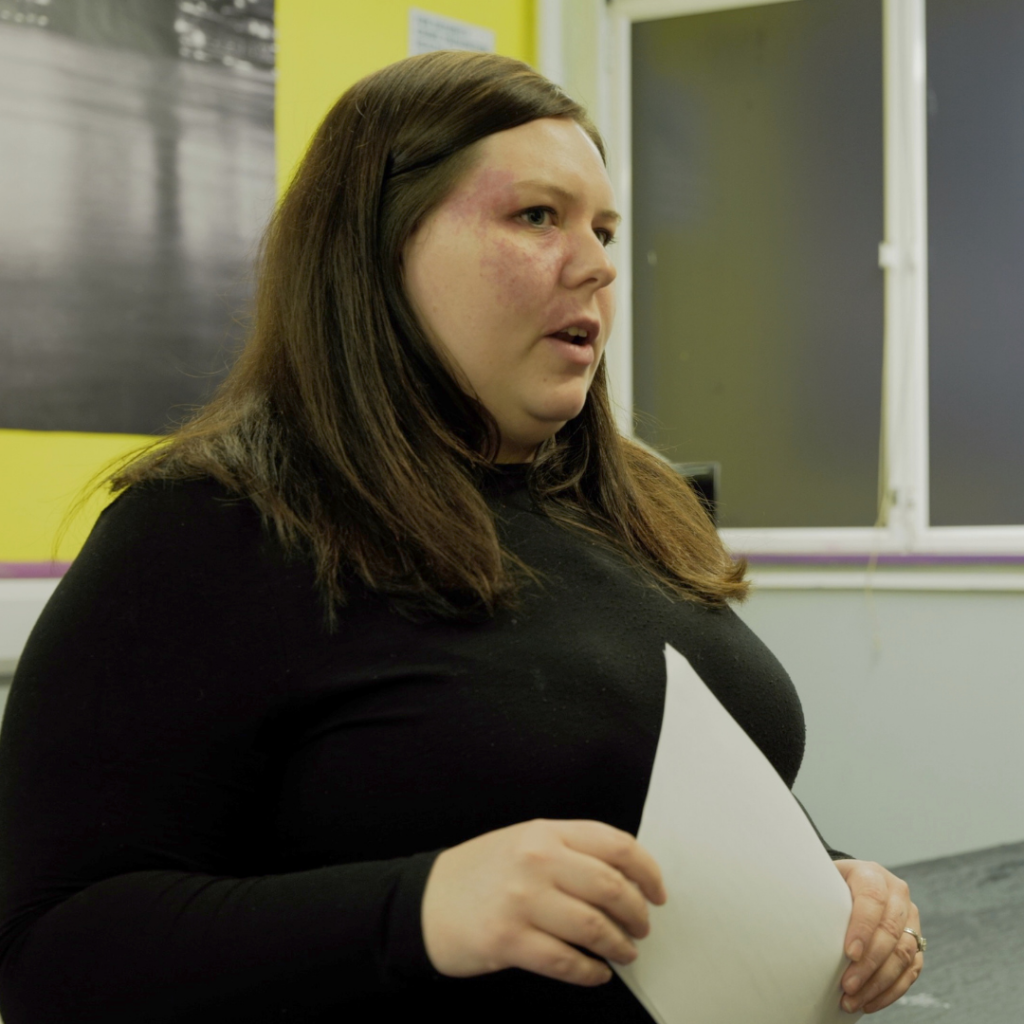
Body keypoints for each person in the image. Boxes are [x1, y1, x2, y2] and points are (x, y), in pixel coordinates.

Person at [0, 51, 923, 1023]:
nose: (600, 262)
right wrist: (424, 908)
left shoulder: (632, 506)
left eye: (604, 228)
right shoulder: (208, 528)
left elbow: (657, 806)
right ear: (376, 252)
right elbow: (49, 952)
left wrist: (835, 887)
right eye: (537, 216)